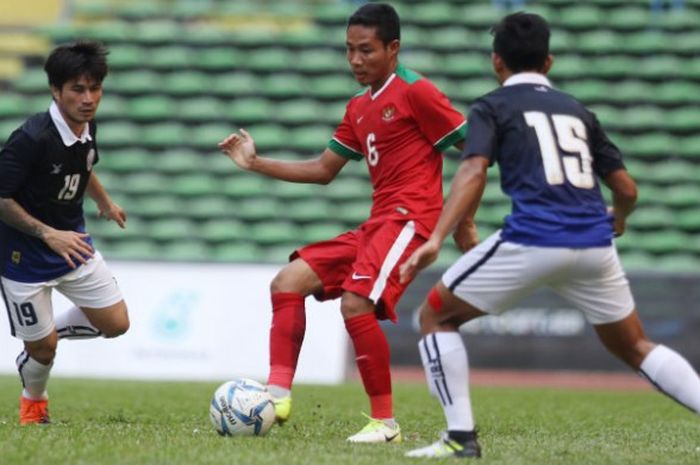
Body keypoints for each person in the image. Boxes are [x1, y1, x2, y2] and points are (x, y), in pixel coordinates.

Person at [399, 12, 700, 459]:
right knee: (636, 345)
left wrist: (436, 238)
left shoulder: (492, 106)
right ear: (550, 62)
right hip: (595, 246)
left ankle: (460, 438)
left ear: (496, 61)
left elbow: (473, 169)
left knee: (435, 318)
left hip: (534, 240)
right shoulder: (579, 112)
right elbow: (627, 188)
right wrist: (619, 218)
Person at [219, 3, 467, 443]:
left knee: (355, 303)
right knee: (288, 280)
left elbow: (474, 152)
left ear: (394, 48)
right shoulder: (358, 106)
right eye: (349, 50)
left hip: (411, 220)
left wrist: (461, 226)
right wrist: (254, 163)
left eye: (366, 50)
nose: (355, 60)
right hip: (378, 223)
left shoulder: (418, 92)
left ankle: (384, 422)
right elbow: (322, 169)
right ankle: (276, 397)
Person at [0, 40, 130, 425]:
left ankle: (41, 336)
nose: (88, 98)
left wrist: (104, 201)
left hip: (73, 245)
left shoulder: (88, 126)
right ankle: (33, 401)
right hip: (22, 257)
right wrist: (46, 233)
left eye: (95, 88)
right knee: (44, 354)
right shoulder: (31, 138)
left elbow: (84, 165)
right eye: (77, 89)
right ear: (56, 91)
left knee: (116, 324)